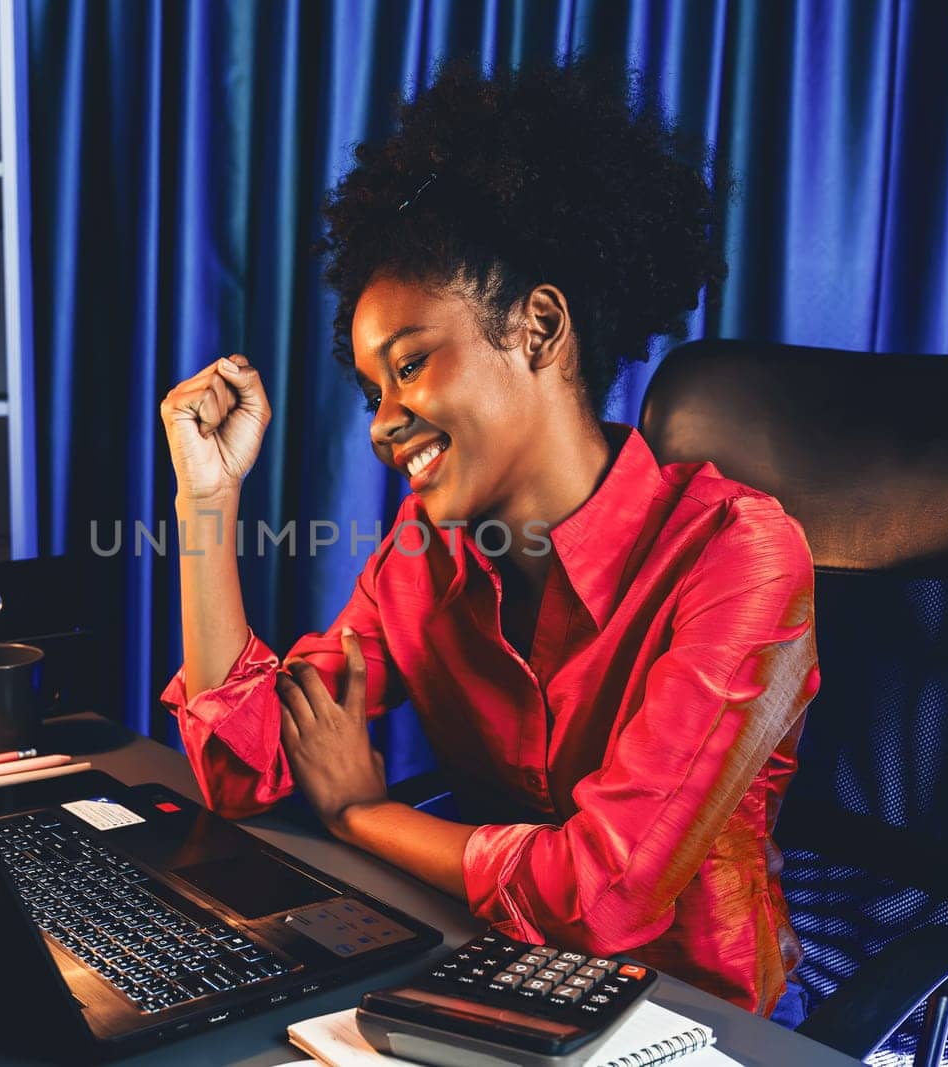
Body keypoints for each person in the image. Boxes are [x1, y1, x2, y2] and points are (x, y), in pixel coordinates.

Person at [157, 56, 819, 1023]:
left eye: (413, 365)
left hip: (690, 1019)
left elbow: (602, 894)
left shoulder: (740, 557)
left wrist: (363, 814)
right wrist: (205, 502)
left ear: (539, 327)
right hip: (488, 982)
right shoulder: (424, 557)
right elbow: (245, 762)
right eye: (373, 391)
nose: (385, 424)